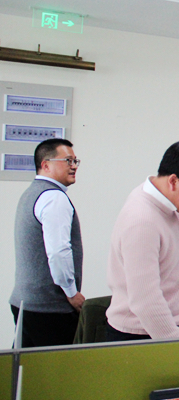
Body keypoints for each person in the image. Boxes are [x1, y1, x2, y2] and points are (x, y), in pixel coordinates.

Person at [105, 141, 179, 341]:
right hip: (145, 332)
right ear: (174, 181)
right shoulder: (142, 221)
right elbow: (145, 301)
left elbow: (172, 250)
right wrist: (175, 346)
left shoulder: (163, 201)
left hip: (174, 323)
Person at [10, 139, 85, 347]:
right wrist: (71, 293)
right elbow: (59, 252)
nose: (74, 166)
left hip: (25, 302)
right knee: (58, 367)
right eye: (68, 160)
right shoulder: (54, 198)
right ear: (46, 165)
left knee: (26, 365)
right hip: (49, 308)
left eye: (75, 161)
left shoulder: (31, 192)